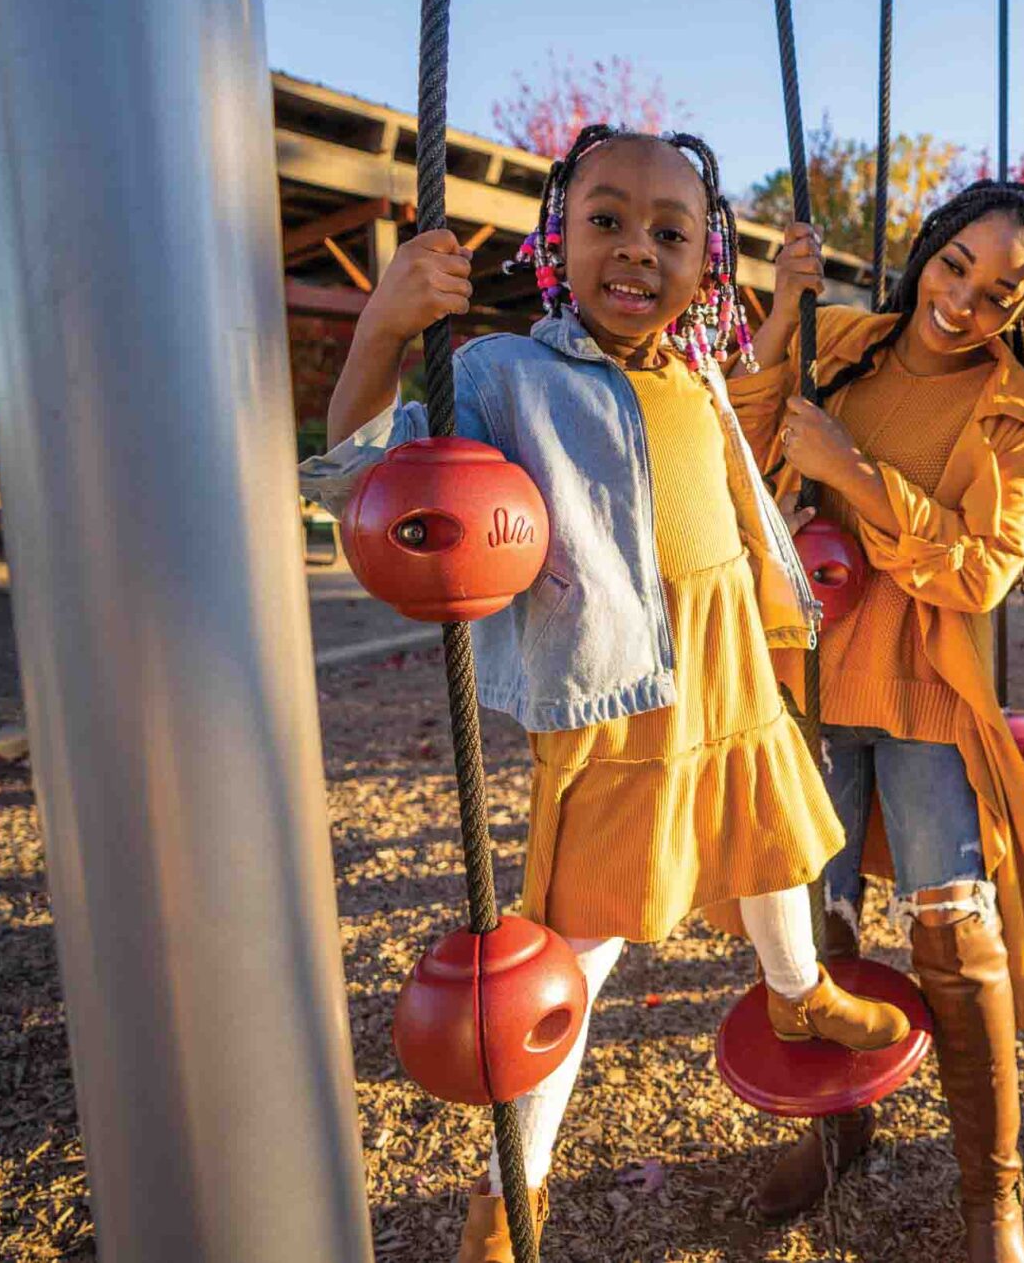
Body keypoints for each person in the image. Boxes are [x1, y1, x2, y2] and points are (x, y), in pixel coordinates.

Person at [301, 126, 909, 1263]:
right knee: (565, 966)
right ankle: (508, 1191)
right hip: (615, 699)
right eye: (607, 222)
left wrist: (783, 307)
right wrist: (384, 327)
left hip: (731, 662)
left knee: (776, 843)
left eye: (670, 232)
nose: (637, 250)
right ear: (557, 239)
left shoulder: (691, 369)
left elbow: (732, 473)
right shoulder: (502, 375)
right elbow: (371, 482)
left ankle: (798, 993)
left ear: (705, 260)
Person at [727, 180, 1024, 1263]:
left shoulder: (1014, 414)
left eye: (998, 292)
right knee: (814, 927)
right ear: (927, 250)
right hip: (806, 685)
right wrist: (781, 317)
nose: (964, 301)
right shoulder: (839, 343)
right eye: (954, 266)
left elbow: (980, 572)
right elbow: (742, 461)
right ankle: (841, 1133)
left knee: (955, 932)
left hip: (925, 696)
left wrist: (858, 477)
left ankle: (993, 1194)